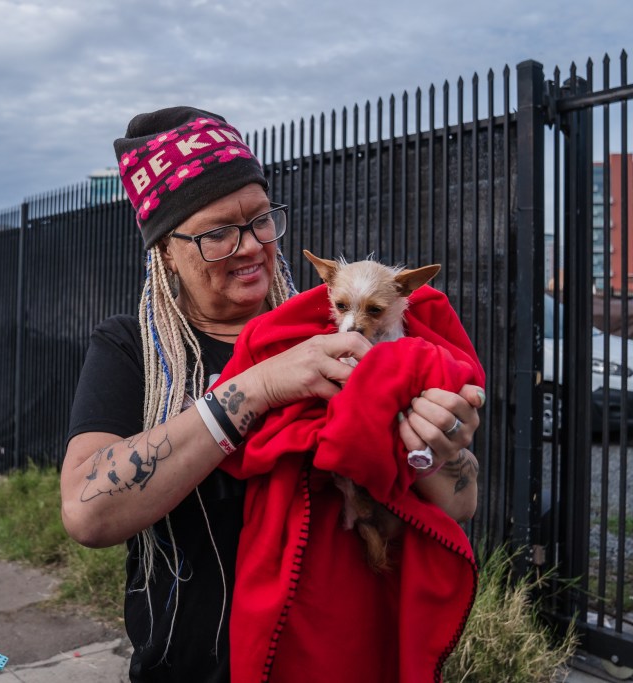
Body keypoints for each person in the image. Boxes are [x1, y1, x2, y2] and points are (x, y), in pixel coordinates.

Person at [60, 106, 484, 682]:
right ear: (165, 250)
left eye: (260, 219)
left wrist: (440, 445)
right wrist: (257, 387)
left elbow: (459, 506)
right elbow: (87, 514)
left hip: (337, 660)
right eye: (216, 233)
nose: (250, 246)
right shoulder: (135, 348)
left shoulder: (333, 334)